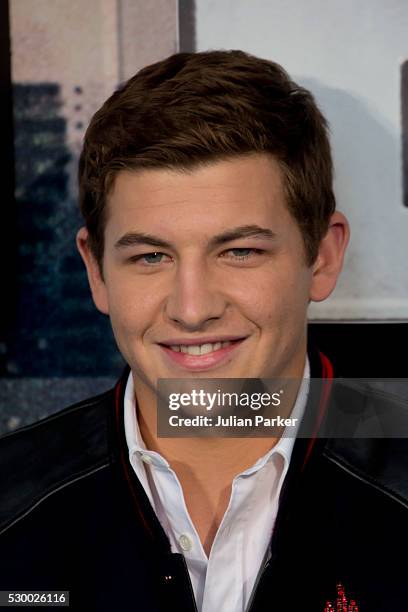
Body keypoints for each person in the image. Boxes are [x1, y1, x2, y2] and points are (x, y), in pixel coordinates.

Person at [0, 50, 406, 612]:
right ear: (96, 271)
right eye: (149, 257)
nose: (193, 309)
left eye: (239, 251)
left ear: (322, 257)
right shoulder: (10, 504)